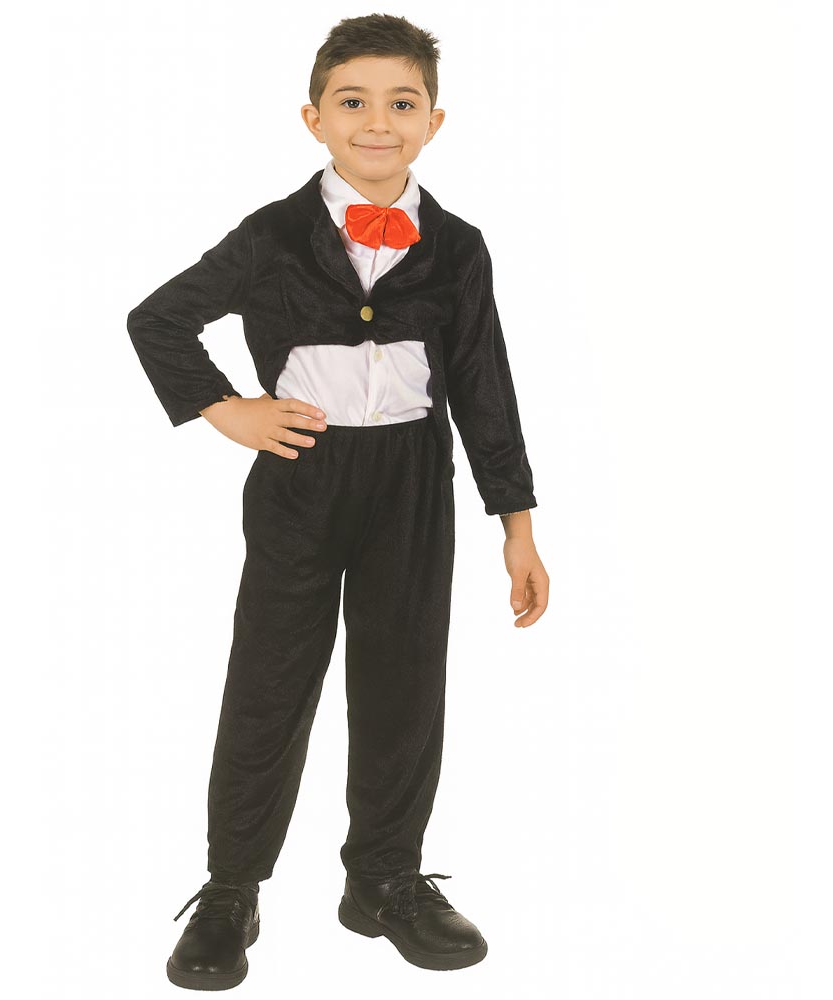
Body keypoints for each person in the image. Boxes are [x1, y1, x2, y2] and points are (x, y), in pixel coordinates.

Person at [126, 12, 550, 991]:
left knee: (404, 680)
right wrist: (225, 408)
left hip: (413, 486)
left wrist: (517, 525)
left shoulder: (458, 246)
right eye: (353, 102)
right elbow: (160, 320)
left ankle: (385, 878)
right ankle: (232, 886)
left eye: (402, 103)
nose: (377, 122)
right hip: (301, 479)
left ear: (434, 122)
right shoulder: (273, 234)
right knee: (271, 678)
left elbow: (484, 385)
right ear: (314, 118)